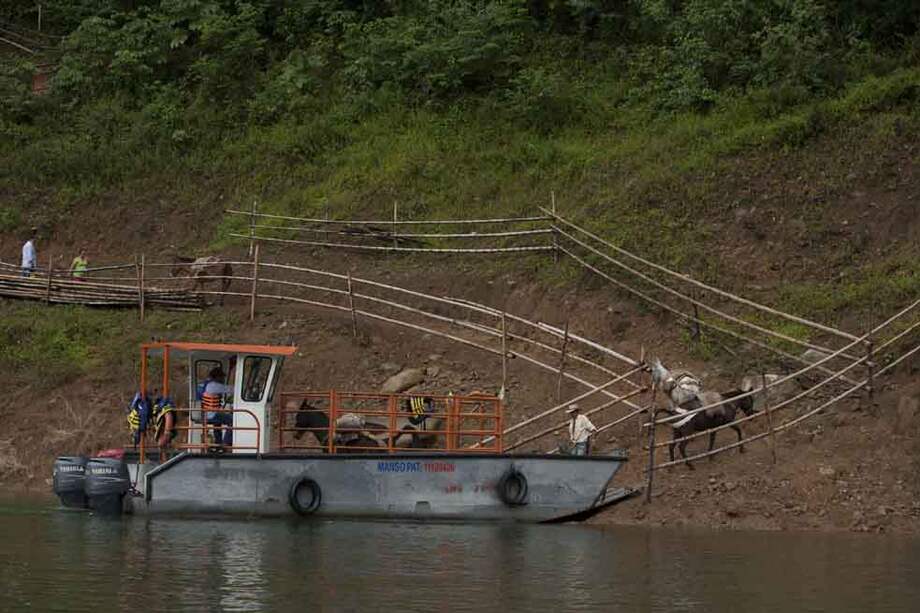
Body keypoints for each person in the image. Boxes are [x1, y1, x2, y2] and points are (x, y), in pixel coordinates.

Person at [202, 367, 234, 450]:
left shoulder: (209, 385)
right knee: (234, 421)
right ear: (217, 377)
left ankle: (218, 443)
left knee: (218, 423)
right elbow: (231, 389)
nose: (223, 379)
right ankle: (226, 443)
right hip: (212, 414)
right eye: (222, 377)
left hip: (208, 413)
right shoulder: (214, 386)